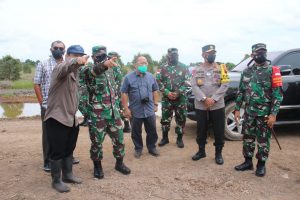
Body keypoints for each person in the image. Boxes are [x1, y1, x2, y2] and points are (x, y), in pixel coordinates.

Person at [78, 45, 131, 180]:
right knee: (97, 142)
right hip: (98, 114)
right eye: (99, 55)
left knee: (119, 140)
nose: (102, 56)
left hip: (114, 113)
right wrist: (86, 113)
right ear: (94, 56)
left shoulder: (112, 71)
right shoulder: (87, 69)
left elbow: (117, 90)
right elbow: (93, 73)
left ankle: (119, 163)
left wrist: (122, 108)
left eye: (104, 54)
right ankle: (97, 166)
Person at [44, 45, 89, 192]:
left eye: (81, 55)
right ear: (68, 55)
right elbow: (67, 66)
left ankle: (68, 175)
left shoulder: (75, 74)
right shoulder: (60, 69)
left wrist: (105, 65)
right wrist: (76, 61)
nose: (78, 57)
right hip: (57, 118)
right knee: (57, 151)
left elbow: (91, 72)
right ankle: (56, 181)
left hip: (71, 118)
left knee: (69, 149)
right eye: (75, 55)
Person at [234, 43, 283, 177]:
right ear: (252, 55)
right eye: (258, 52)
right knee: (248, 138)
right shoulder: (247, 71)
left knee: (263, 140)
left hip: (264, 114)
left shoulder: (273, 70)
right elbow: (241, 91)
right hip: (249, 112)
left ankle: (261, 165)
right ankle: (247, 162)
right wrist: (237, 109)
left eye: (263, 52)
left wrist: (273, 114)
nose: (261, 54)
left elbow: (278, 95)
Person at [33, 41, 80, 172]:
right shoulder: (44, 64)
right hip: (49, 105)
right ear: (51, 49)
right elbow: (36, 84)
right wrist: (42, 103)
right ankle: (48, 160)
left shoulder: (70, 65)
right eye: (56, 48)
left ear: (65, 51)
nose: (58, 50)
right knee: (49, 135)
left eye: (61, 48)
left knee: (66, 134)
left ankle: (66, 159)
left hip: (64, 104)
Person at [191, 44, 229, 165]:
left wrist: (214, 98)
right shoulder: (196, 69)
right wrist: (204, 98)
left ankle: (218, 153)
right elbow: (194, 85)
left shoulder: (221, 67)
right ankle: (201, 151)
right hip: (201, 105)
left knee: (219, 129)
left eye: (213, 53)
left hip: (217, 104)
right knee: (201, 129)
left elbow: (225, 84)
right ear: (203, 55)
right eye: (209, 53)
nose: (212, 55)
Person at [121, 56, 160, 158]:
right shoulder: (128, 78)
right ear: (135, 65)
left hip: (149, 109)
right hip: (135, 110)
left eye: (146, 63)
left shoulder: (151, 76)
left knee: (152, 130)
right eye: (142, 63)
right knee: (136, 131)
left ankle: (152, 147)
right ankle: (138, 148)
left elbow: (155, 90)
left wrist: (156, 104)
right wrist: (126, 108)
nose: (144, 65)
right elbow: (124, 93)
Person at [156, 48, 190, 148]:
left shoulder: (184, 67)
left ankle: (179, 139)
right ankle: (165, 138)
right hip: (167, 99)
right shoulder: (162, 68)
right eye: (172, 55)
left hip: (181, 99)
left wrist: (178, 92)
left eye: (176, 55)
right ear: (168, 56)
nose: (174, 57)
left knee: (181, 118)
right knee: (165, 119)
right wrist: (167, 92)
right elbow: (158, 81)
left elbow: (187, 81)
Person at [108, 51, 131, 133]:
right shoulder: (117, 65)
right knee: (121, 107)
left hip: (115, 91)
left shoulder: (113, 66)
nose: (116, 59)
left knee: (117, 108)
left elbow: (115, 80)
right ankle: (127, 125)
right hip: (119, 90)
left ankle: (121, 126)